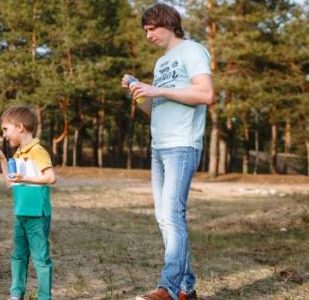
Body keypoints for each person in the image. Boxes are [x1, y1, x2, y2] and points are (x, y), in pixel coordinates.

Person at [120, 3, 214, 300]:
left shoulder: (193, 50)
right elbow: (157, 109)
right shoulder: (161, 63)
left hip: (181, 145)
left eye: (151, 28)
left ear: (169, 24)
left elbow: (205, 94)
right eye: (145, 30)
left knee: (172, 216)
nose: (148, 35)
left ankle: (169, 290)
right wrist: (139, 93)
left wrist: (157, 90)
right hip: (159, 147)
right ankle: (186, 288)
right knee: (164, 217)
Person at [0, 105, 57, 300]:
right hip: (20, 214)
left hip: (37, 215)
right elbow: (11, 182)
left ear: (19, 127)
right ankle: (16, 294)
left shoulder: (37, 151)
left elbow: (51, 178)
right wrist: (3, 161)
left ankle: (44, 297)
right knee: (18, 256)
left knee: (40, 258)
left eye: (5, 129)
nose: (4, 135)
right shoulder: (17, 154)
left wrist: (25, 178)